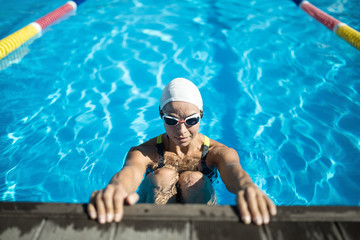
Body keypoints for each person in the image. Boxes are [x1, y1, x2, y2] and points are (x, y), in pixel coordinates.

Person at [87, 78, 277, 225]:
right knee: (163, 176)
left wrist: (248, 188)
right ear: (161, 115)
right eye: (171, 120)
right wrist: (116, 189)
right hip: (155, 207)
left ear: (201, 115)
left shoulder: (217, 152)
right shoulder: (146, 152)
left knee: (193, 180)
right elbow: (129, 173)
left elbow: (234, 171)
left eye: (191, 120)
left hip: (199, 206)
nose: (181, 131)